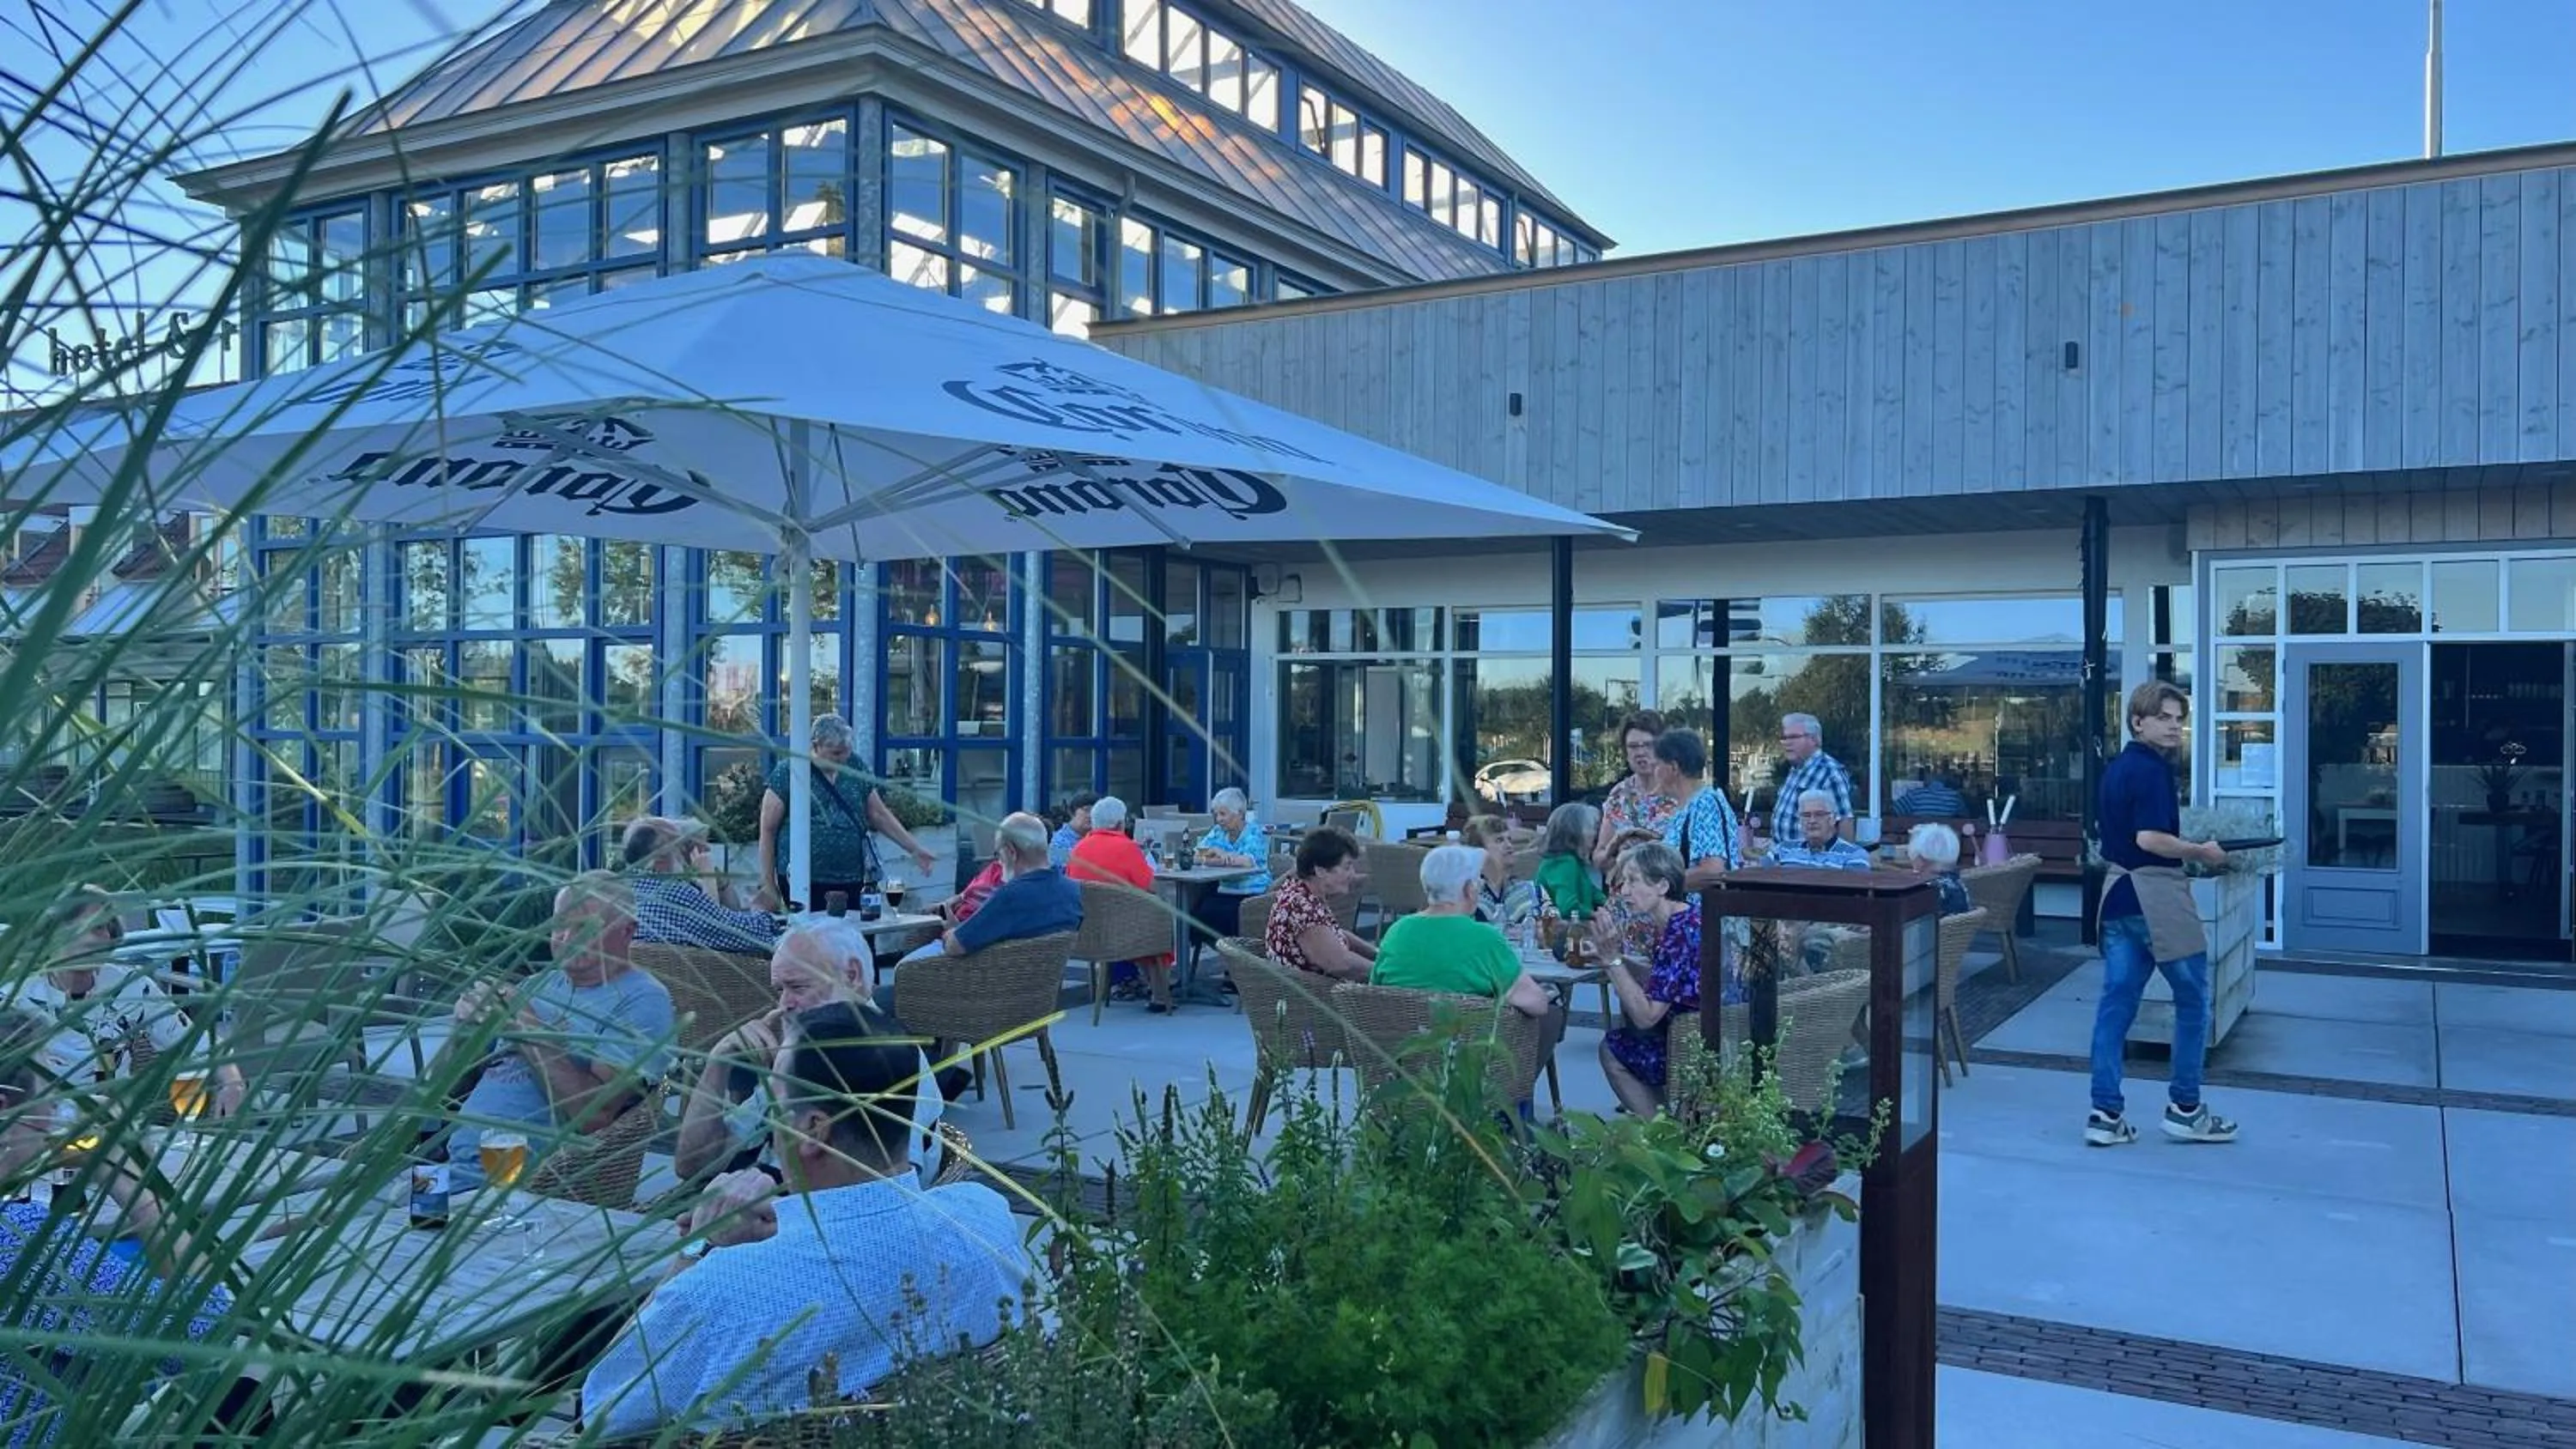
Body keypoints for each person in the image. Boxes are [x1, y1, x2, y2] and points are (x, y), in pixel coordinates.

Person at [580, 1001, 1031, 1437]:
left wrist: (700, 1247)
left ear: (814, 1130)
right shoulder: (986, 1217)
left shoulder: (724, 1290)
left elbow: (598, 1414)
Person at [0, 1010, 246, 1446]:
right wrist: (126, 1177)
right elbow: (209, 1332)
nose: (58, 1103)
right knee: (244, 1389)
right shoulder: (20, 1240)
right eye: (51, 1083)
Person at [446, 872, 677, 1187]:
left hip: (512, 1184)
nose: (567, 939)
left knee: (398, 1227)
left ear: (627, 931)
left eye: (585, 927)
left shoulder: (644, 1001)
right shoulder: (539, 984)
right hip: (444, 1162)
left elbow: (594, 1116)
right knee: (367, 1212)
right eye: (560, 926)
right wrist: (463, 1032)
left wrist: (527, 1027)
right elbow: (448, 1090)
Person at [673, 919, 945, 1185]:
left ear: (851, 975)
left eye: (798, 987)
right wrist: (718, 1063)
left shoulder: (889, 1061)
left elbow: (887, 1193)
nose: (783, 1004)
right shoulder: (805, 1055)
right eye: (780, 990)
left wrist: (761, 1208)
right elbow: (693, 1165)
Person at [2087, 681, 2237, 1149]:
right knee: (2193, 1003)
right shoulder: (2151, 771)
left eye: (2179, 718)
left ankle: (2105, 1115)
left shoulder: (2116, 770)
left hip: (2116, 895)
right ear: (2138, 721)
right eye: (2164, 718)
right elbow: (2149, 839)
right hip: (2157, 897)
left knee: (2116, 1007)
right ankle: (2185, 1110)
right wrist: (2201, 851)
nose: (2175, 726)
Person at [3, 887, 246, 1119]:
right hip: (37, 1133)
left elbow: (195, 1042)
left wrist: (231, 1079)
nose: (99, 938)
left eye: (104, 928)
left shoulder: (128, 986)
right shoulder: (15, 999)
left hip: (113, 1128)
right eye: (87, 928)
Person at [1371, 846, 1564, 1076]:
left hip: (1402, 1061)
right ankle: (1509, 1100)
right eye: (1477, 883)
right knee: (1551, 1016)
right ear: (1468, 890)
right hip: (1467, 1068)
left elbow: (1375, 992)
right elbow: (1537, 1003)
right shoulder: (1484, 938)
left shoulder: (1396, 932)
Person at [1594, 843, 1733, 1117]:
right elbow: (1669, 980)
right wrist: (1621, 959)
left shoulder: (1679, 935)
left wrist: (1612, 960)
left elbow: (1647, 1016)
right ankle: (1669, 1127)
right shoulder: (1689, 920)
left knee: (1612, 1048)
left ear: (1662, 886)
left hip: (1694, 1048)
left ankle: (1663, 1137)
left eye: (1633, 881)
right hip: (1722, 1037)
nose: (1623, 891)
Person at [756, 713, 936, 911]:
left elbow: (878, 814)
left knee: (852, 937)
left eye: (847, 751)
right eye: (836, 753)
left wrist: (914, 848)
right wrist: (768, 884)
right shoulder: (789, 772)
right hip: (803, 881)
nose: (842, 758)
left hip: (852, 879)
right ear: (816, 746)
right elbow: (768, 829)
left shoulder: (855, 765)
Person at [1064, 797, 1176, 1010]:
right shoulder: (1126, 847)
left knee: (1146, 921)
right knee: (1160, 921)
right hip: (1123, 934)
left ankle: (1125, 987)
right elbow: (1152, 886)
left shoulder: (1078, 850)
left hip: (1086, 930)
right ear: (1119, 823)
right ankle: (1160, 996)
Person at [623, 817, 781, 955]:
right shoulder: (674, 895)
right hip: (712, 982)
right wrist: (762, 911)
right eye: (679, 848)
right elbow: (744, 934)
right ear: (660, 859)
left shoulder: (623, 892)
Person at [1263, 826, 1376, 982]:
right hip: (1313, 999)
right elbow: (1339, 963)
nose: (1353, 874)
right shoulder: (1301, 906)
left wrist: (1380, 955)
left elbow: (1336, 935)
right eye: (1347, 866)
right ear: (1320, 871)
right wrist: (1383, 971)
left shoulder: (1302, 891)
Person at [1649, 728, 1743, 889]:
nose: (1654, 772)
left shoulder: (1704, 804)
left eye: (1657, 765)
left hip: (1704, 913)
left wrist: (1656, 886)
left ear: (1673, 767)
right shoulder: (1687, 806)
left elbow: (1712, 871)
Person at [1591, 709, 1677, 870]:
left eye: (1648, 745)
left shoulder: (1679, 794)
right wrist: (1615, 849)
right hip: (1625, 890)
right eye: (1633, 746)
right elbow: (1599, 857)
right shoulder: (1619, 795)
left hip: (1667, 889)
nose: (1640, 753)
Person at [1187, 787, 1272, 942]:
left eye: (1223, 814)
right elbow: (1196, 855)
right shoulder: (1218, 831)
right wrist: (1217, 856)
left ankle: (1233, 954)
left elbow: (1247, 861)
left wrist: (1221, 854)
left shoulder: (1254, 832)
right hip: (1226, 889)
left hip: (1252, 893)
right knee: (1194, 914)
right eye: (1216, 814)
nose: (1219, 819)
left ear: (1239, 813)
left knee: (1218, 913)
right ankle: (1221, 950)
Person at [1769, 712, 1855, 847]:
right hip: (1783, 859)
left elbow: (1845, 823)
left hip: (1811, 863)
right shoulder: (1795, 770)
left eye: (1794, 737)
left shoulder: (1830, 772)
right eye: (1784, 738)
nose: (1787, 743)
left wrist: (1841, 863)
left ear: (1814, 740)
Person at [1531, 801, 1606, 925]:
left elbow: (1594, 894)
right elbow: (1568, 907)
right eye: (1592, 828)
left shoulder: (1573, 862)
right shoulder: (1564, 863)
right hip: (1562, 935)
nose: (1595, 834)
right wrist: (1595, 915)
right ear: (1574, 832)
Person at [1459, 815, 1538, 932]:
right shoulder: (1464, 893)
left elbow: (1552, 929)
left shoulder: (1530, 889)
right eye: (1499, 840)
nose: (1509, 846)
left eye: (1509, 839)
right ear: (1478, 851)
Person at [1769, 791, 1874, 873]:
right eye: (1806, 815)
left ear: (1833, 819)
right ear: (1800, 820)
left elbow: (1854, 896)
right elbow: (1759, 875)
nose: (1812, 821)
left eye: (1819, 815)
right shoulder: (1783, 850)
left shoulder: (1853, 855)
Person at [1905, 822, 1976, 916]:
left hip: (1933, 930)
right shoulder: (1957, 881)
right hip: (1957, 929)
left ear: (1922, 858)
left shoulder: (1928, 890)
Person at [1047, 793, 1096, 869]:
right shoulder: (1059, 842)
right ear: (1072, 812)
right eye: (1087, 810)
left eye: (1095, 811)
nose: (1091, 815)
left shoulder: (1097, 839)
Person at [1893, 772, 1970, 819]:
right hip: (1946, 841)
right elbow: (1965, 818)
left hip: (1918, 840)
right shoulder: (1954, 796)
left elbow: (1894, 812)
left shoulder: (1914, 795)